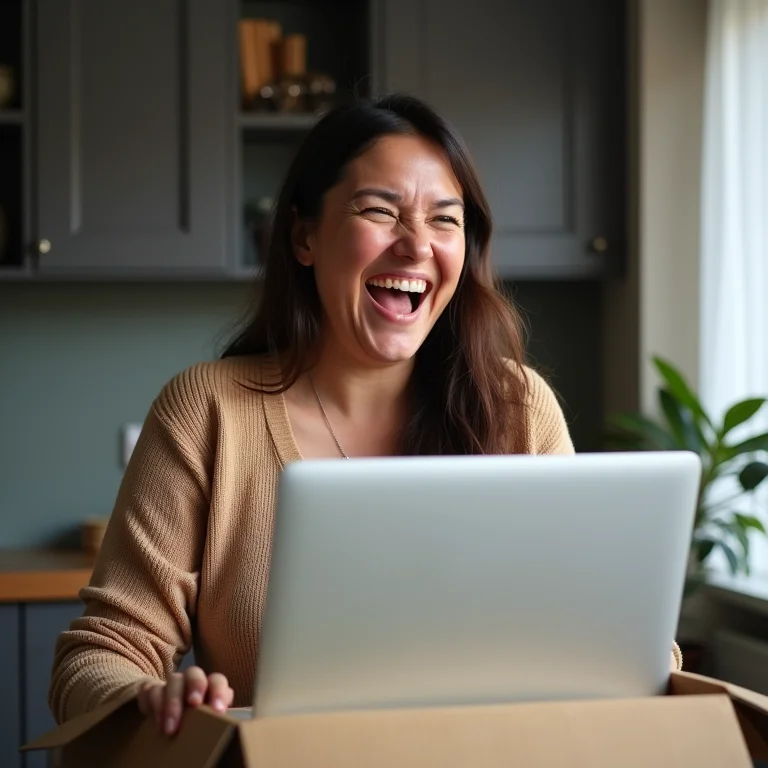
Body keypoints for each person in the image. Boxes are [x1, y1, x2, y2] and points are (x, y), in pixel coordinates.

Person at [48, 93, 677, 735]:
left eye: (444, 220)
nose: (415, 246)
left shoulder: (518, 408)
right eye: (379, 211)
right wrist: (154, 697)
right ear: (303, 236)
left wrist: (638, 651)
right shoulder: (208, 412)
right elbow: (97, 656)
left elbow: (608, 637)